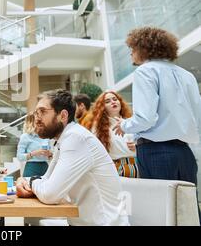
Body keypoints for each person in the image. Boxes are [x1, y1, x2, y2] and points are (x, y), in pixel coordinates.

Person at [16, 90, 129, 226]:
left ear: (63, 115)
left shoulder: (75, 138)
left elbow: (50, 194)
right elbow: (47, 179)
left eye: (42, 112)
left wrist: (31, 182)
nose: (37, 118)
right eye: (36, 113)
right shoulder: (64, 138)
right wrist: (24, 180)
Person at [113, 27, 200, 186]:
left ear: (144, 48)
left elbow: (146, 118)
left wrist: (125, 125)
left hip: (156, 153)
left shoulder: (145, 71)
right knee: (188, 207)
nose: (130, 53)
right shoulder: (188, 76)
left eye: (132, 48)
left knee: (161, 208)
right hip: (185, 152)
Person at [87, 91, 138, 178]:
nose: (113, 102)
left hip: (139, 166)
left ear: (120, 102)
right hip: (117, 170)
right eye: (107, 101)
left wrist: (138, 146)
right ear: (102, 108)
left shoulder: (131, 122)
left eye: (115, 99)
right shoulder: (98, 128)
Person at [16, 112, 52, 177]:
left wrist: (50, 154)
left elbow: (51, 156)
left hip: (45, 167)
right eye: (38, 120)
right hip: (31, 168)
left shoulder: (46, 136)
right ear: (31, 122)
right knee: (30, 187)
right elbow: (19, 157)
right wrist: (34, 153)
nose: (41, 122)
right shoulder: (25, 137)